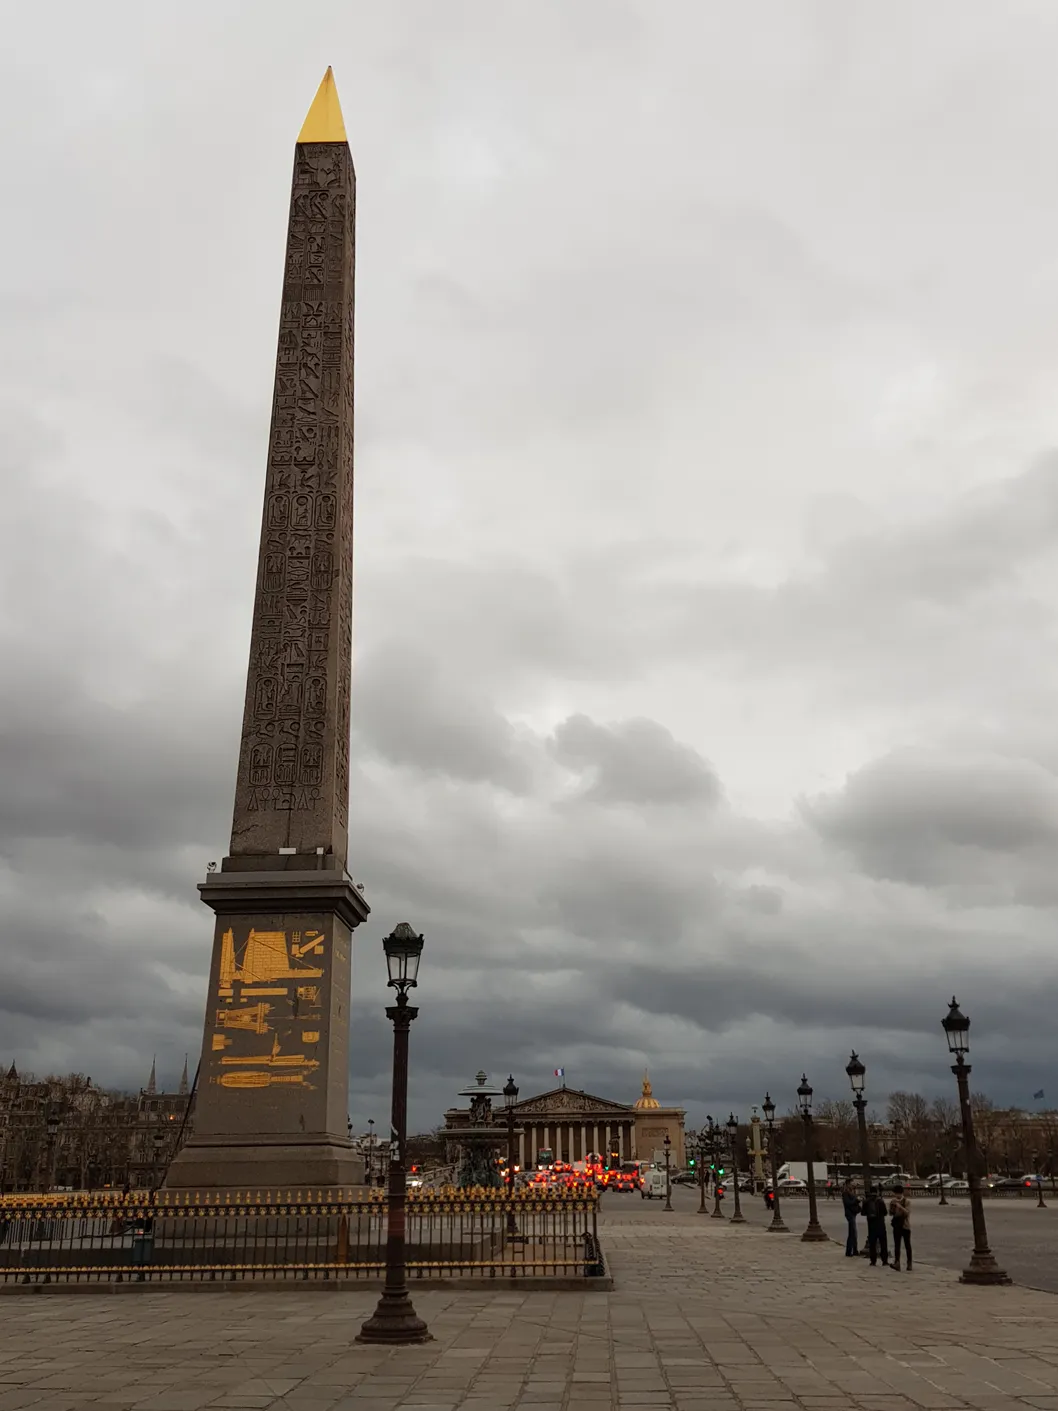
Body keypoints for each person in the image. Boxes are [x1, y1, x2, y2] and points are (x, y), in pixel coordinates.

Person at [863, 1185, 890, 1266]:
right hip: (881, 1224)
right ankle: (884, 1260)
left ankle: (873, 1261)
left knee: (872, 1243)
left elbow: (863, 1213)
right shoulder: (880, 1201)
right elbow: (885, 1212)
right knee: (883, 1243)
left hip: (871, 1224)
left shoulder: (867, 1201)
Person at [889, 1185, 912, 1271]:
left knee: (907, 1245)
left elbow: (907, 1213)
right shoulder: (893, 1201)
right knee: (897, 1245)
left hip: (905, 1226)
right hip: (896, 1226)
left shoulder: (907, 1201)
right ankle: (897, 1262)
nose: (896, 1196)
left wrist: (900, 1207)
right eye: (895, 1194)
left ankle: (909, 1263)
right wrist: (892, 1207)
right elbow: (891, 1213)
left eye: (897, 1194)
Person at [842, 1179, 861, 1256]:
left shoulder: (852, 1191)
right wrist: (857, 1200)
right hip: (849, 1214)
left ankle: (854, 1250)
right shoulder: (845, 1193)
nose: (854, 1184)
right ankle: (849, 1251)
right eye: (852, 1182)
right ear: (848, 1184)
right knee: (852, 1232)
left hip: (853, 1213)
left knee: (854, 1232)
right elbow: (848, 1203)